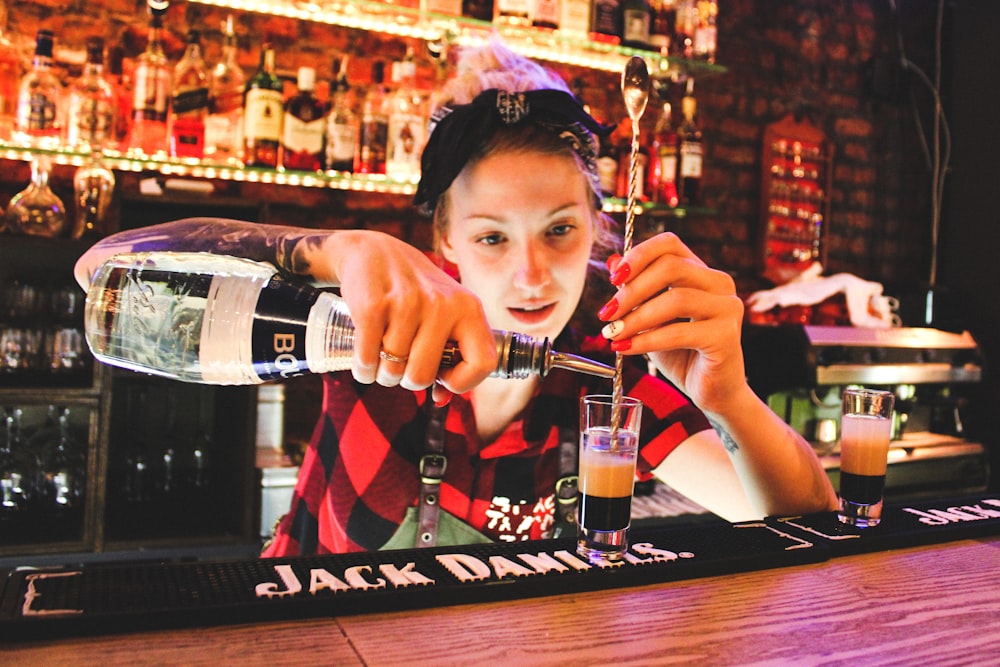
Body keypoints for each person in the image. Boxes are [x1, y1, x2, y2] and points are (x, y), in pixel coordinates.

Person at [75, 41, 837, 555]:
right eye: (493, 238)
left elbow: (809, 524)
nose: (533, 274)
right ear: (444, 238)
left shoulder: (606, 366)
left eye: (562, 230)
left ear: (601, 228)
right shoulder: (376, 317)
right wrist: (328, 250)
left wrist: (729, 394)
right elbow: (103, 274)